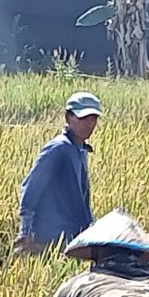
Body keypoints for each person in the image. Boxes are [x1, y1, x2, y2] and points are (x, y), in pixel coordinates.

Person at [13, 92, 101, 256]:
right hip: (50, 240)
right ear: (68, 117)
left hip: (73, 239)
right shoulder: (58, 148)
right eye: (82, 118)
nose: (89, 124)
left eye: (93, 118)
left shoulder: (80, 150)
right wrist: (25, 231)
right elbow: (31, 188)